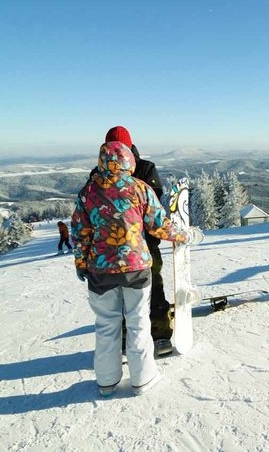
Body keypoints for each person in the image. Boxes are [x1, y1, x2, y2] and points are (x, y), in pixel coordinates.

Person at [73, 140, 204, 397]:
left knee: (107, 324)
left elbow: (80, 233)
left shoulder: (87, 192)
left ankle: (107, 381)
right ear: (129, 160)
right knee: (138, 322)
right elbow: (160, 226)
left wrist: (81, 263)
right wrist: (187, 236)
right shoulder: (140, 189)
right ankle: (143, 378)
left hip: (100, 270)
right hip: (135, 266)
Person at [95, 126, 173, 355]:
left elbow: (154, 207)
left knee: (153, 287)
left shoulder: (145, 169)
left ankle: (159, 334)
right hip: (111, 248)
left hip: (143, 243)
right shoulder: (98, 174)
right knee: (116, 296)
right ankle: (125, 338)